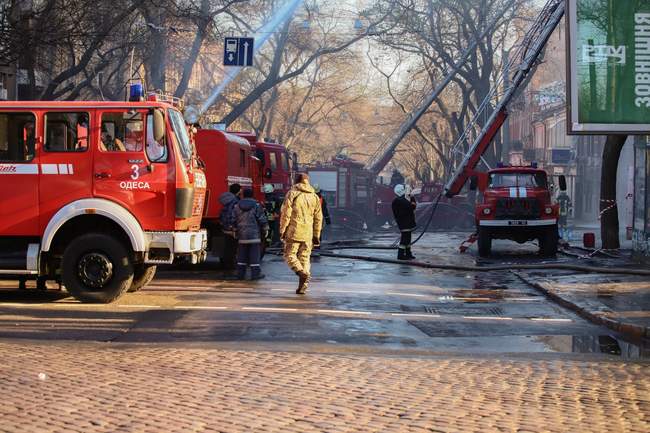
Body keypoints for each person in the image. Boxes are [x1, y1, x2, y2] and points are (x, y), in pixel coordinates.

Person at [280, 173, 323, 294]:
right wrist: (316, 235)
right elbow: (319, 218)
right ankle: (303, 286)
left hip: (294, 231)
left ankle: (301, 273)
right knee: (305, 258)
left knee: (289, 255)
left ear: (296, 181)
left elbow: (286, 214)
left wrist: (282, 230)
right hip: (308, 233)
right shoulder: (314, 196)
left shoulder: (292, 193)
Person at [233, 188, 269, 280]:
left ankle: (240, 274)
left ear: (243, 195)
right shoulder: (256, 205)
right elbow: (262, 218)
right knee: (254, 255)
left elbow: (233, 219)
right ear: (252, 195)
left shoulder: (237, 206)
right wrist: (265, 228)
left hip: (242, 235)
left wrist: (234, 230)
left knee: (241, 255)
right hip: (254, 235)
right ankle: (255, 274)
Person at [218, 183, 242, 269]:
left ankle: (225, 264)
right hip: (231, 228)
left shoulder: (226, 200)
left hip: (225, 226)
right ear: (239, 191)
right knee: (233, 247)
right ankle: (230, 266)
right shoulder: (235, 201)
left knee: (227, 246)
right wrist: (233, 227)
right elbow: (233, 214)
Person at [392, 184, 417, 260]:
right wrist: (412, 197)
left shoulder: (399, 200)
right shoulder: (400, 201)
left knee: (408, 239)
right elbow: (412, 206)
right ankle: (401, 255)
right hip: (404, 223)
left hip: (405, 223)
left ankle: (408, 253)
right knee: (405, 239)